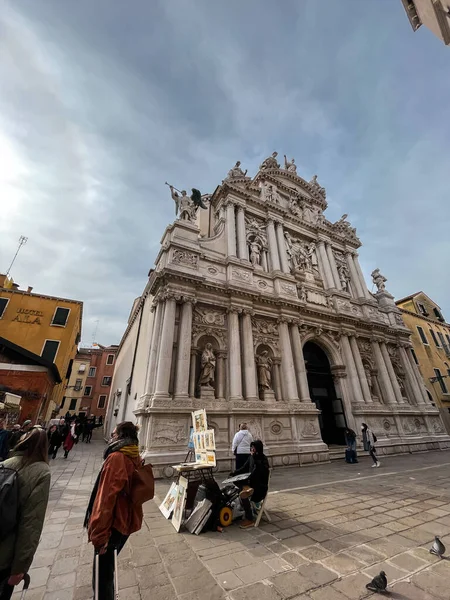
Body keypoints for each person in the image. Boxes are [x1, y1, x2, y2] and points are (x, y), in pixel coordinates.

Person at [84, 422, 143, 600]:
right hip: (126, 519)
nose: (112, 436)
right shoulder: (134, 455)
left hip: (114, 523)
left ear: (121, 436)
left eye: (114, 433)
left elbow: (106, 497)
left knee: (103, 574)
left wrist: (100, 533)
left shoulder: (117, 457)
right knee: (107, 568)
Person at [0, 428, 50, 600]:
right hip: (6, 554)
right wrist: (20, 567)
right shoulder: (42, 472)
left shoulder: (6, 463)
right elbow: (31, 523)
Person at [230, 440, 270, 529]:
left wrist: (255, 461)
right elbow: (244, 468)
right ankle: (246, 489)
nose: (251, 450)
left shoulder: (263, 460)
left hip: (259, 488)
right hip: (251, 484)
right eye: (251, 448)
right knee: (237, 482)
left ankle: (249, 518)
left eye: (253, 448)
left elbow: (260, 474)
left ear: (258, 449)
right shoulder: (251, 457)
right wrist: (234, 473)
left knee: (243, 494)